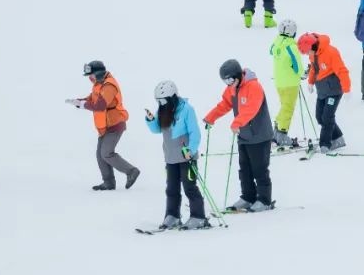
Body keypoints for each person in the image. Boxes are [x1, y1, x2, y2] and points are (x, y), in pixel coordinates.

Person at [204, 59, 274, 212]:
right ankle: (248, 196)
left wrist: (237, 122)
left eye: (229, 79)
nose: (228, 84)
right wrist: (211, 117)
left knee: (259, 168)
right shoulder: (232, 88)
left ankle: (264, 199)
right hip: (244, 135)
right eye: (225, 81)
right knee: (244, 168)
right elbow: (224, 104)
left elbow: (251, 108)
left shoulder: (253, 86)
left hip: (259, 135)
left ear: (237, 75)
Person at [66, 61, 140, 191]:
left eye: (92, 75)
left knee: (106, 153)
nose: (90, 78)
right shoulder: (98, 85)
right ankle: (109, 183)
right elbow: (92, 99)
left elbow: (100, 106)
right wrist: (78, 102)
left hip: (115, 124)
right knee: (100, 155)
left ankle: (131, 171)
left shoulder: (109, 86)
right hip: (104, 126)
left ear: (99, 74)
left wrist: (83, 105)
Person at [144, 80, 209, 230]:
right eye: (158, 101)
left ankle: (198, 217)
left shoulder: (186, 109)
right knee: (171, 189)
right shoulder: (163, 110)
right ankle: (172, 216)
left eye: (163, 100)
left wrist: (191, 150)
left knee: (189, 187)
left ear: (172, 97)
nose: (161, 104)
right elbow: (157, 130)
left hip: (186, 157)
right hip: (171, 157)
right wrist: (151, 120)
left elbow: (195, 133)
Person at [298, 32, 351, 153]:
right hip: (322, 90)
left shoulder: (331, 52)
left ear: (312, 46)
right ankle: (338, 138)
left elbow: (342, 71)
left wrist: (347, 88)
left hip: (334, 90)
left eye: (306, 52)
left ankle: (325, 144)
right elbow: (313, 68)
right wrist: (311, 82)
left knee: (327, 117)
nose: (306, 54)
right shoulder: (313, 54)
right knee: (320, 117)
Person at [269, 19, 303, 147]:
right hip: (291, 83)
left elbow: (271, 51)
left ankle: (276, 132)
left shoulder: (276, 43)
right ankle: (282, 134)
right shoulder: (291, 46)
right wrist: (301, 73)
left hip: (279, 82)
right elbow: (297, 65)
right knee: (288, 108)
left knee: (284, 105)